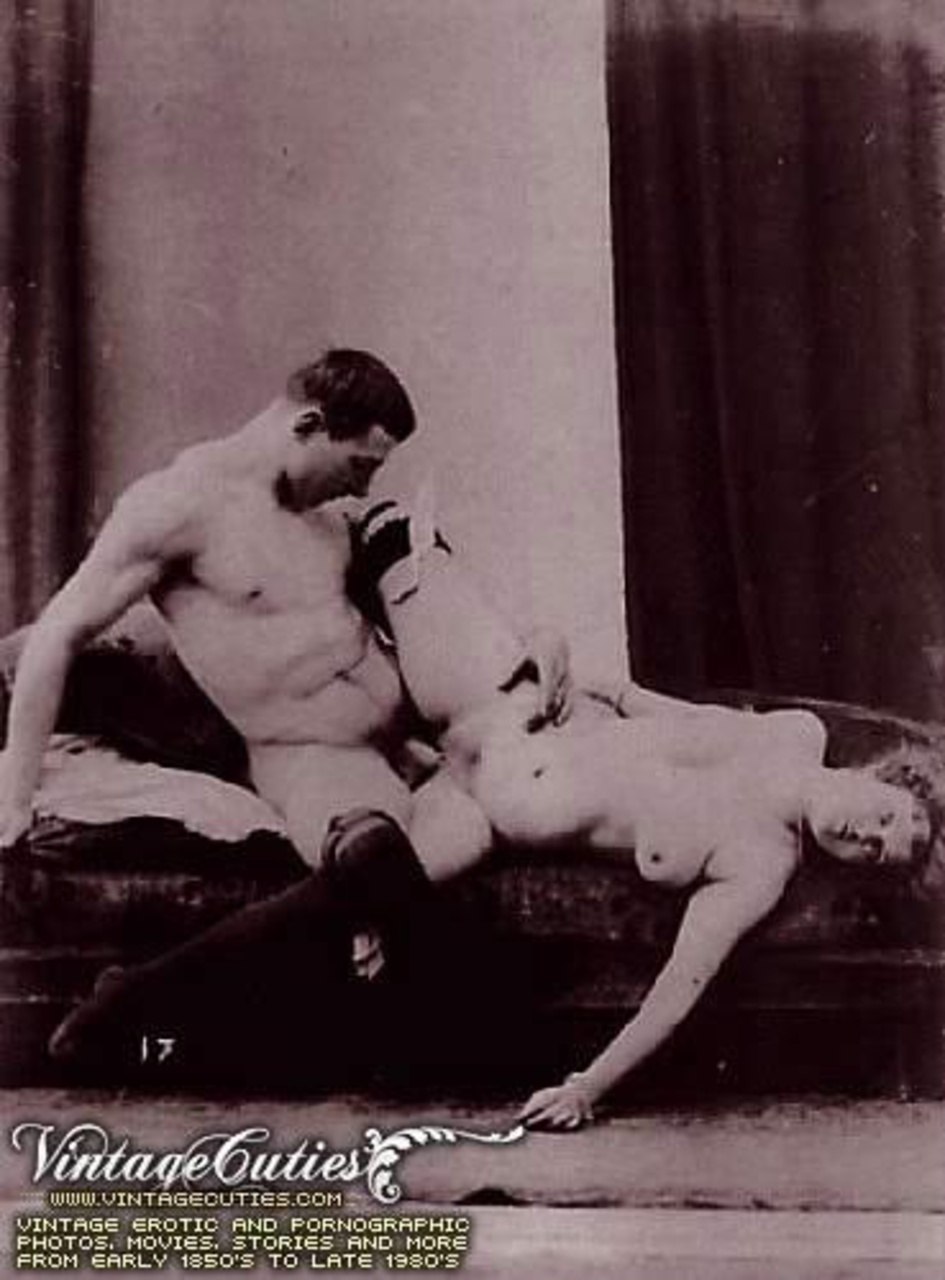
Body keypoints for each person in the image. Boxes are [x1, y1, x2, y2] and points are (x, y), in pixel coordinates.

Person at [0, 349, 557, 1070]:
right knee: (374, 852)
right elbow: (57, 634)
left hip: (412, 745)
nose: (364, 484)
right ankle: (134, 1006)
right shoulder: (176, 506)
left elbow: (437, 606)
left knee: (485, 823)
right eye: (359, 464)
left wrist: (533, 638)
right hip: (314, 756)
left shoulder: (329, 519)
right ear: (308, 425)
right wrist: (16, 793)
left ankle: (144, 992)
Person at [351, 499, 933, 1130]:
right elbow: (656, 709)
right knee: (384, 536)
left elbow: (680, 986)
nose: (865, 836)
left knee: (342, 896)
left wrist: (587, 1087)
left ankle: (392, 785)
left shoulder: (760, 866)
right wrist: (564, 660)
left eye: (876, 854)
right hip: (500, 702)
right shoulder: (793, 733)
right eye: (884, 818)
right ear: (878, 776)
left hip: (474, 812)